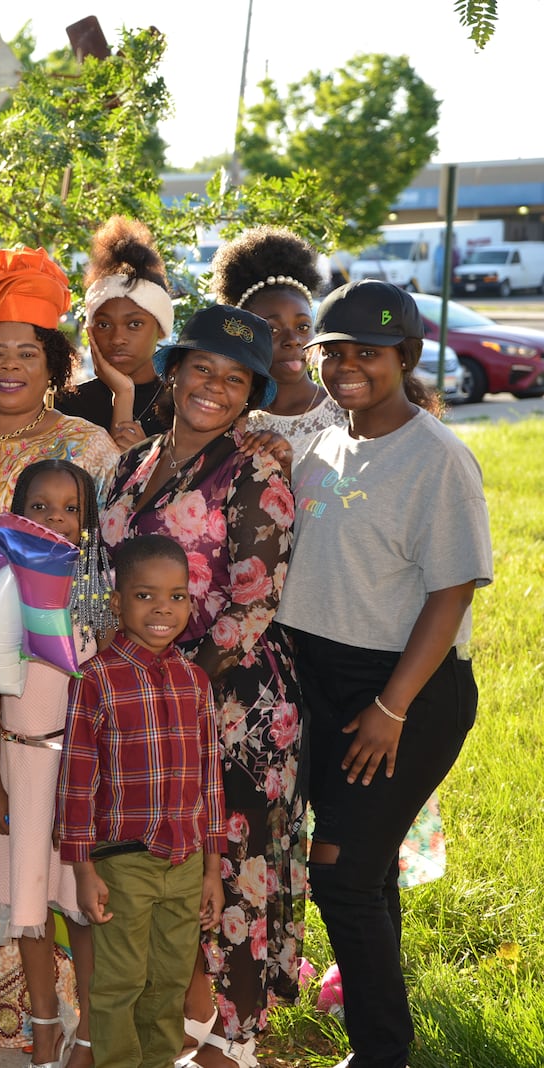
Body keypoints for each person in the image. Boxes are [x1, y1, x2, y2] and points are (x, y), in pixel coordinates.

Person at [278, 280, 492, 1068]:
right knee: (364, 872)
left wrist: (391, 706)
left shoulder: (437, 457)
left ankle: (381, 1054)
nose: (345, 368)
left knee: (338, 874)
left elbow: (452, 590)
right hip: (320, 680)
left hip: (404, 689)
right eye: (332, 353)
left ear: (405, 356)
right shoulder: (324, 439)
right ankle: (380, 1042)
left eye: (367, 353)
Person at [98, 306, 302, 1068]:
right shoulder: (132, 464)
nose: (214, 387)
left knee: (232, 861)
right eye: (203, 369)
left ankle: (235, 1037)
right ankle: (179, 1016)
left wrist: (182, 683)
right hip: (141, 699)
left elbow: (255, 595)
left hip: (231, 699)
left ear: (250, 393)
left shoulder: (255, 464)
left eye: (235, 378)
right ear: (175, 371)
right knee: (165, 864)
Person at [56, 534, 226, 1068]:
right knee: (119, 984)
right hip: (125, 861)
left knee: (169, 983)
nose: (163, 609)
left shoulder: (195, 681)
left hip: (186, 861)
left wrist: (213, 868)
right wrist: (82, 869)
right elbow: (77, 781)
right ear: (117, 602)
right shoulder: (95, 679)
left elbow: (210, 776)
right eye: (146, 595)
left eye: (177, 597)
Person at [0, 459, 111, 1068]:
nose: (55, 518)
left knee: (79, 909)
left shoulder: (96, 596)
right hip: (18, 772)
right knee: (29, 915)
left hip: (74, 777)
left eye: (70, 508)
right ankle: (45, 1026)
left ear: (87, 521)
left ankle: (88, 1034)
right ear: (15, 512)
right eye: (40, 507)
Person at [0, 237, 120, 574]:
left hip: (47, 621)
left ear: (51, 366)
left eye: (27, 354)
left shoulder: (88, 445)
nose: (10, 365)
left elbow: (111, 552)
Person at [212, 226, 344, 452]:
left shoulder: (345, 412)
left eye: (302, 326)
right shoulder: (228, 418)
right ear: (244, 336)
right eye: (272, 330)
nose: (293, 340)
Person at [56, 218, 175, 449]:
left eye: (134, 324)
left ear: (160, 328)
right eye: (103, 325)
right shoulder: (68, 405)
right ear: (90, 331)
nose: (118, 338)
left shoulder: (182, 403)